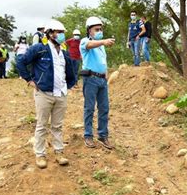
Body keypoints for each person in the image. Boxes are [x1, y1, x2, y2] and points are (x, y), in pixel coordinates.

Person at [16, 19, 76, 169]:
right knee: (42, 125)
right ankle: (40, 154)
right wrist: (29, 80)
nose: (61, 35)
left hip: (60, 93)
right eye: (58, 32)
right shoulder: (39, 49)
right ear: (50, 33)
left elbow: (70, 71)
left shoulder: (63, 52)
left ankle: (58, 152)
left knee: (58, 125)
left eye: (62, 32)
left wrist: (69, 85)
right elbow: (21, 62)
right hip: (44, 93)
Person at [80, 16, 115, 149]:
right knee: (89, 108)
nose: (100, 31)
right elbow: (89, 45)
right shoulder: (85, 41)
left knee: (104, 108)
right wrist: (103, 41)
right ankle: (88, 135)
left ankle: (103, 135)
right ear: (89, 31)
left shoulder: (101, 46)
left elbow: (103, 61)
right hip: (90, 79)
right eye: (97, 29)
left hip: (101, 80)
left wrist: (106, 74)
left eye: (101, 29)